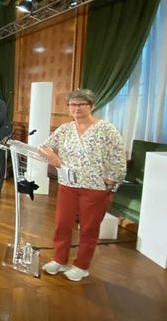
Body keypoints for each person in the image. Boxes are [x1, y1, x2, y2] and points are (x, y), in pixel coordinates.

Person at [40, 89, 126, 282]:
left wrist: (111, 180)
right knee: (62, 224)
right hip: (67, 185)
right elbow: (44, 146)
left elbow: (118, 157)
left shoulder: (106, 129)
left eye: (81, 104)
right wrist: (51, 155)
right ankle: (60, 260)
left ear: (92, 106)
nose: (76, 108)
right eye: (73, 105)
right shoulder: (65, 129)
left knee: (89, 228)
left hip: (95, 187)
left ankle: (81, 265)